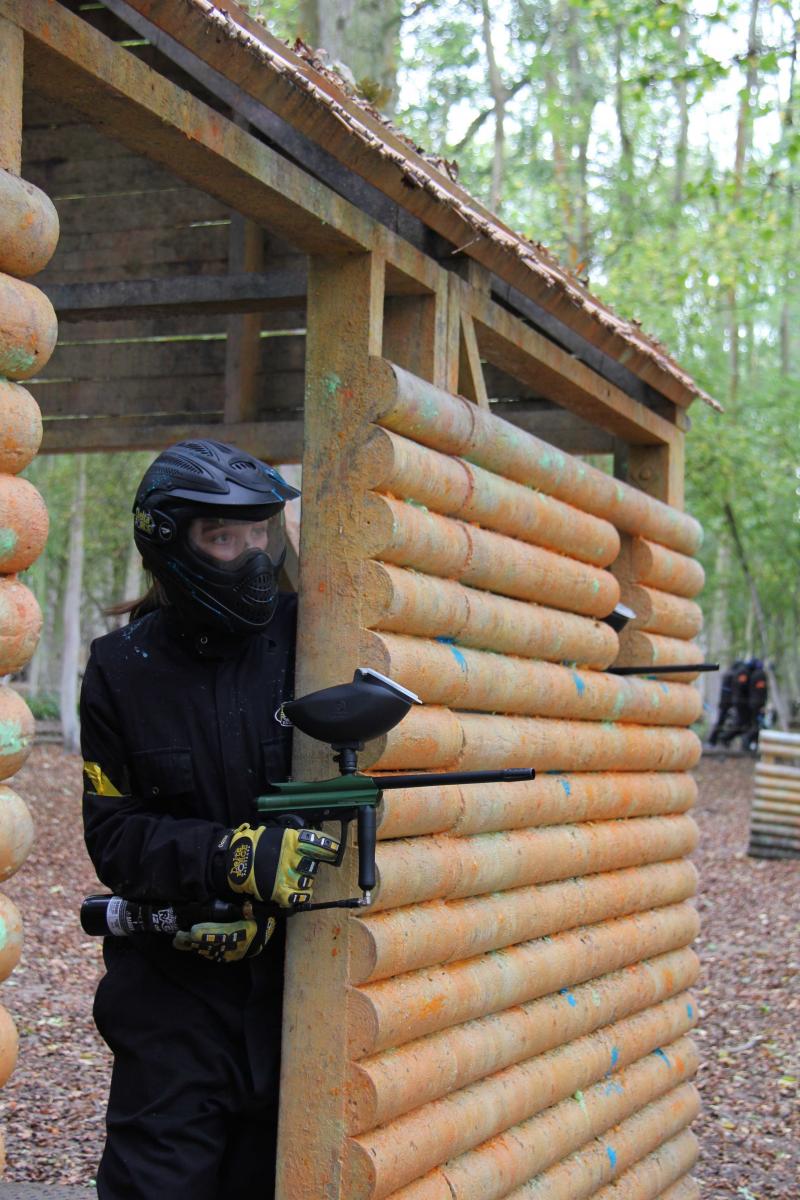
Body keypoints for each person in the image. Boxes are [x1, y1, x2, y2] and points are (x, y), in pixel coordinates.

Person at [80, 440, 341, 1200]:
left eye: (261, 534)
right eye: (224, 538)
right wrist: (225, 857)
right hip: (173, 1002)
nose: (252, 556)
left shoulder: (319, 641)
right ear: (171, 544)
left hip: (306, 994)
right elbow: (112, 832)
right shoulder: (122, 667)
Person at [708, 660, 741, 745]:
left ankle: (718, 740)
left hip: (725, 702)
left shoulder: (728, 674)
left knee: (723, 722)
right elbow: (730, 691)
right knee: (721, 722)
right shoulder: (731, 675)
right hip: (726, 703)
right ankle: (714, 740)